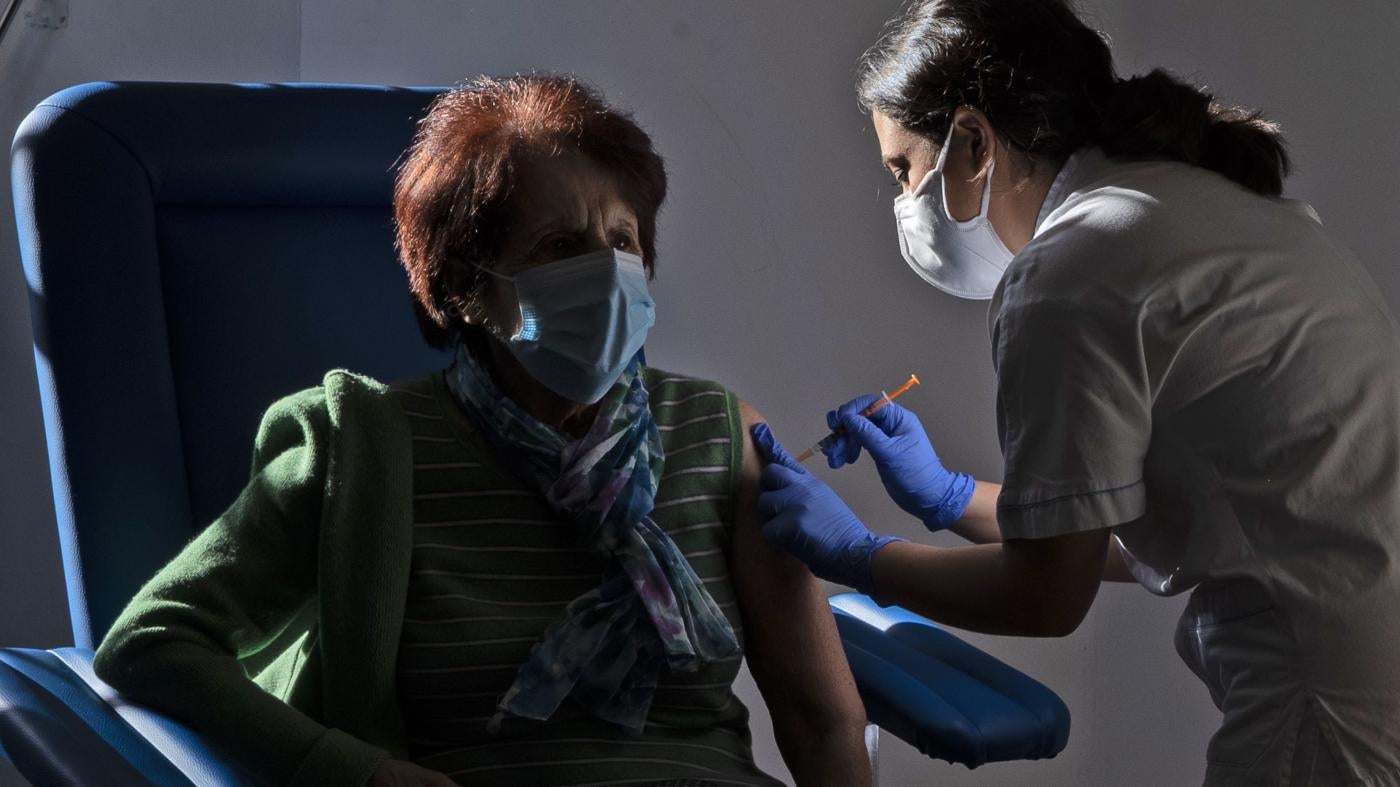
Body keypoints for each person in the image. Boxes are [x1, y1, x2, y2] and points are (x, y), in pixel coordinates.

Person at [94, 74, 870, 787]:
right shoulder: (365, 450)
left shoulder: (720, 433)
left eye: (622, 241)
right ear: (466, 287)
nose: (605, 275)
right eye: (560, 246)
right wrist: (346, 771)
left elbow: (821, 717)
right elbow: (151, 641)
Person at [751, 1, 1400, 785]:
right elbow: (1161, 520)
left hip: (1330, 694)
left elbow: (1046, 594)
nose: (903, 198)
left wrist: (860, 555)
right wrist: (952, 497)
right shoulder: (1197, 210)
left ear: (973, 140)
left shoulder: (1065, 275)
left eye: (903, 169)